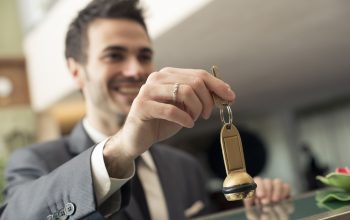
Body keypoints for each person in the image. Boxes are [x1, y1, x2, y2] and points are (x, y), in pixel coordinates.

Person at [0, 0, 290, 219]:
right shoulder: (36, 160)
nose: (135, 70)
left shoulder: (184, 166)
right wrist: (120, 150)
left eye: (144, 55)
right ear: (76, 71)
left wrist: (258, 208)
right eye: (114, 55)